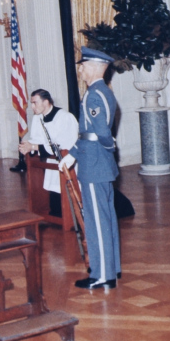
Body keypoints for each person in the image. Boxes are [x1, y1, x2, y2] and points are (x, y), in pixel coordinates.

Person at [59, 48, 121, 291]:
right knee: (107, 218)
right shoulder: (103, 91)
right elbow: (89, 133)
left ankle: (102, 275)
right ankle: (111, 267)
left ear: (95, 67)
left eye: (83, 65)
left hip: (94, 166)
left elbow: (102, 133)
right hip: (99, 163)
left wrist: (106, 148)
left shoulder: (94, 95)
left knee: (97, 221)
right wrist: (73, 154)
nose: (81, 69)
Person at [19, 88, 79, 217]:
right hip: (51, 162)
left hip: (69, 162)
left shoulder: (65, 118)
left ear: (46, 102)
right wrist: (27, 146)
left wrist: (34, 146)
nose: (31, 106)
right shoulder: (37, 118)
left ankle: (71, 217)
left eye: (35, 103)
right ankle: (56, 215)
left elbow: (64, 145)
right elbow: (36, 140)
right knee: (53, 188)